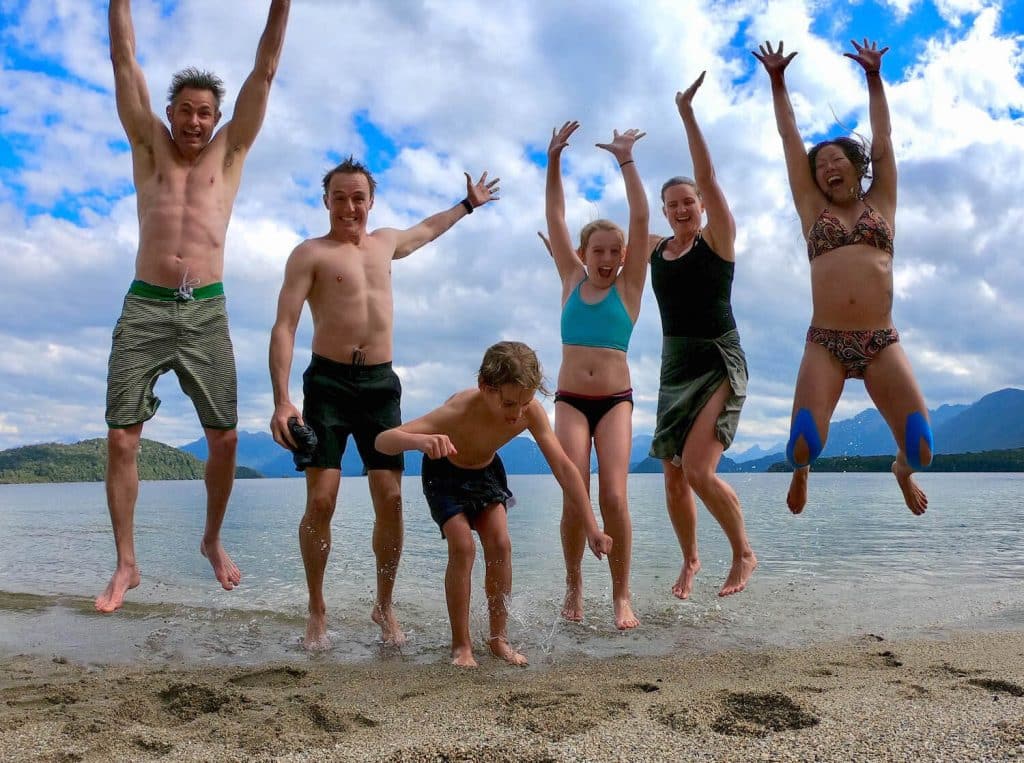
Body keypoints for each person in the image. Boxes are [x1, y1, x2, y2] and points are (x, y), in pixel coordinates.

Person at [97, 0, 290, 614]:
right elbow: (124, 60)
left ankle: (210, 540)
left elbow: (265, 70)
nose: (194, 121)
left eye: (205, 112)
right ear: (170, 113)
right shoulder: (147, 147)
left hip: (205, 309)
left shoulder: (229, 153)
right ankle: (127, 563)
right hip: (145, 307)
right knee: (122, 440)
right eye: (185, 110)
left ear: (216, 118)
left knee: (226, 440)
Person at [269, 157, 499, 650]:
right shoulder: (309, 254)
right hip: (327, 385)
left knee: (391, 500)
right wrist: (282, 399)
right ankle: (316, 608)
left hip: (379, 385)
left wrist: (466, 205)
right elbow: (284, 326)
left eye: (358, 198)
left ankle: (384, 604)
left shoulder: (386, 242)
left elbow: (427, 230)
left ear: (370, 202)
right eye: (340, 198)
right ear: (326, 201)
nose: (349, 207)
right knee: (322, 500)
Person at [753, 39, 933, 515]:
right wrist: (777, 82)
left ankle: (900, 471)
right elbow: (790, 141)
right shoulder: (812, 208)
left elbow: (885, 137)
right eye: (820, 166)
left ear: (856, 167)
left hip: (881, 340)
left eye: (837, 161)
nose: (828, 167)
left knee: (921, 449)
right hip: (826, 343)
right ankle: (802, 471)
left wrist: (874, 78)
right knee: (802, 444)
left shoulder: (883, 201)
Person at [375, 341, 613, 667]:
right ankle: (462, 646)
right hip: (445, 474)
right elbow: (384, 441)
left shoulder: (528, 412)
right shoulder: (457, 412)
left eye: (525, 402)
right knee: (463, 547)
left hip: (486, 472)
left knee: (500, 543)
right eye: (508, 403)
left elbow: (563, 466)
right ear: (485, 387)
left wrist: (592, 526)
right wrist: (420, 441)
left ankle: (498, 639)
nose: (516, 414)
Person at [647, 72, 758, 600]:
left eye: (688, 201)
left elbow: (708, 174)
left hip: (718, 359)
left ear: (701, 206)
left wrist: (686, 113)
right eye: (672, 204)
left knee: (697, 468)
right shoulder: (654, 250)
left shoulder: (717, 240)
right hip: (674, 366)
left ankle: (743, 551)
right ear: (665, 212)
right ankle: (690, 559)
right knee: (672, 477)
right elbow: (602, 249)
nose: (682, 208)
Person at [543, 122, 648, 630]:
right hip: (568, 400)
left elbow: (642, 215)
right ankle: (574, 586)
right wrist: (554, 161)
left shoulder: (628, 289)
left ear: (625, 257)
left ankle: (621, 595)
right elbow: (555, 215)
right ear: (583, 255)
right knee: (574, 493)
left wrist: (625, 160)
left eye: (614, 251)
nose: (606, 259)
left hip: (614, 402)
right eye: (597, 251)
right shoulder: (569, 278)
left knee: (614, 496)